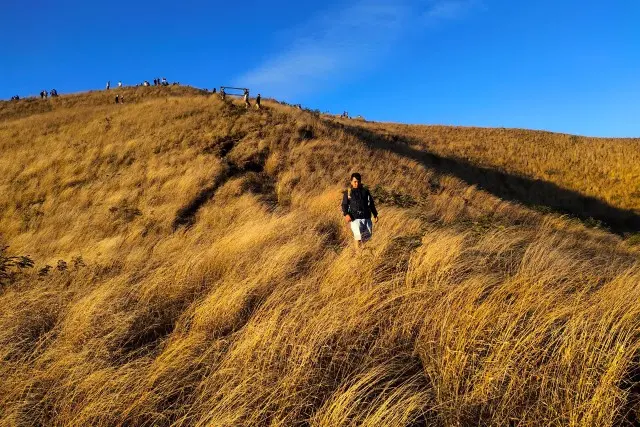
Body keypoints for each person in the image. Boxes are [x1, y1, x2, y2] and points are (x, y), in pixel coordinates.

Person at [341, 172, 379, 249]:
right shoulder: (348, 192)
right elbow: (344, 204)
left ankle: (364, 254)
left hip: (366, 218)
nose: (357, 183)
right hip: (355, 219)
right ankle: (358, 255)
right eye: (355, 181)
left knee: (366, 238)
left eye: (358, 181)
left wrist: (375, 214)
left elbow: (371, 203)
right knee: (358, 237)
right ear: (351, 182)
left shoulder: (366, 192)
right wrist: (346, 214)